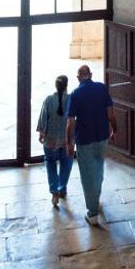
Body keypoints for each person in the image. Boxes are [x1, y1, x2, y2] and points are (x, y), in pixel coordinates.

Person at [66, 63, 116, 225]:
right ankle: (96, 198)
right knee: (98, 169)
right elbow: (110, 113)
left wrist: (69, 142)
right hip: (102, 135)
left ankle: (92, 212)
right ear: (91, 74)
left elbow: (71, 122)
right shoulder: (102, 89)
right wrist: (114, 129)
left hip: (84, 139)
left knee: (87, 175)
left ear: (79, 77)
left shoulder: (75, 94)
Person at [36, 74, 73, 208]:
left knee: (50, 163)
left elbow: (43, 119)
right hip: (66, 140)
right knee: (67, 162)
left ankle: (54, 191)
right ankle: (62, 187)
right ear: (66, 86)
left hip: (50, 140)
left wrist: (42, 133)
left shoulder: (49, 100)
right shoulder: (71, 100)